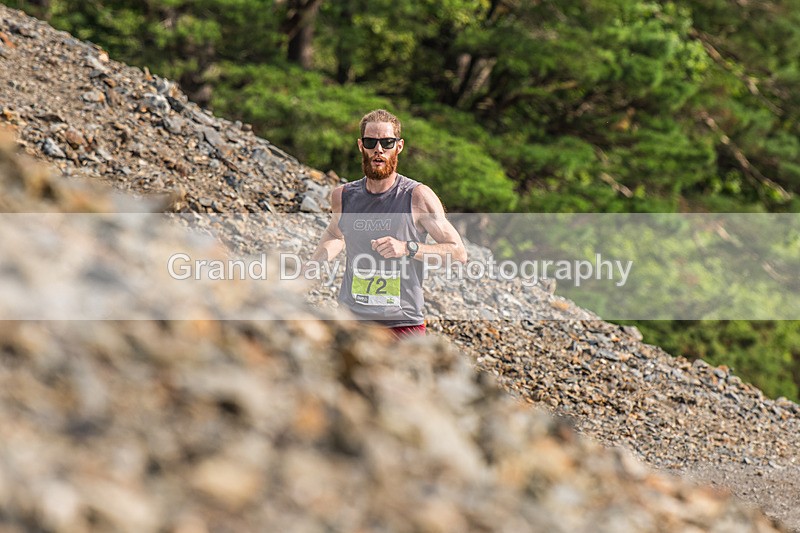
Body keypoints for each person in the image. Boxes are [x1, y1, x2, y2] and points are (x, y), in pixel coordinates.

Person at [309, 109, 467, 338]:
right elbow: (335, 235)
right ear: (360, 145)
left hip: (401, 323)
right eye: (371, 142)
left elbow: (458, 253)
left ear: (399, 146)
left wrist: (407, 248)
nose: (378, 149)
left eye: (387, 142)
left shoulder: (418, 197)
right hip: (352, 319)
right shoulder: (343, 196)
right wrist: (314, 264)